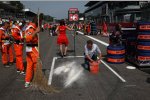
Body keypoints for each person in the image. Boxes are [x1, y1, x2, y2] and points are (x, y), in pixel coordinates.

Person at [24, 22, 40, 87]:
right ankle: (37, 80)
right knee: (36, 65)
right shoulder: (31, 29)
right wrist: (36, 31)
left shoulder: (28, 28)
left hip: (29, 49)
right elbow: (27, 39)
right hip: (32, 48)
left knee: (29, 65)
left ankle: (27, 81)